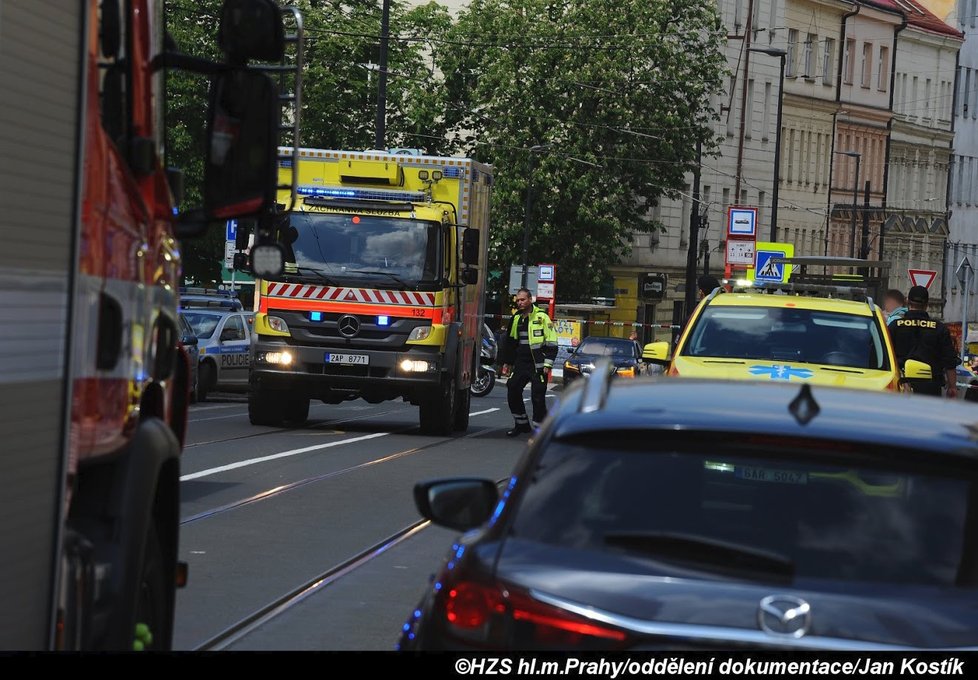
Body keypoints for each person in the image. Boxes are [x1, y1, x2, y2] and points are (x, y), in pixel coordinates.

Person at [499, 288, 558, 436]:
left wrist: (547, 364)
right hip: (521, 363)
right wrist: (507, 362)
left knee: (537, 396)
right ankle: (522, 425)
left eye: (522, 299)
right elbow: (511, 342)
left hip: (538, 364)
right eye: (518, 300)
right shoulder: (516, 318)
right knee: (512, 389)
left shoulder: (542, 317)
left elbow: (552, 342)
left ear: (530, 299)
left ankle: (540, 430)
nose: (520, 302)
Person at [888, 285, 959, 398]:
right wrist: (952, 387)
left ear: (907, 302)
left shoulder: (895, 326)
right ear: (927, 305)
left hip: (901, 385)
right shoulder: (939, 328)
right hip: (931, 389)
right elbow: (950, 362)